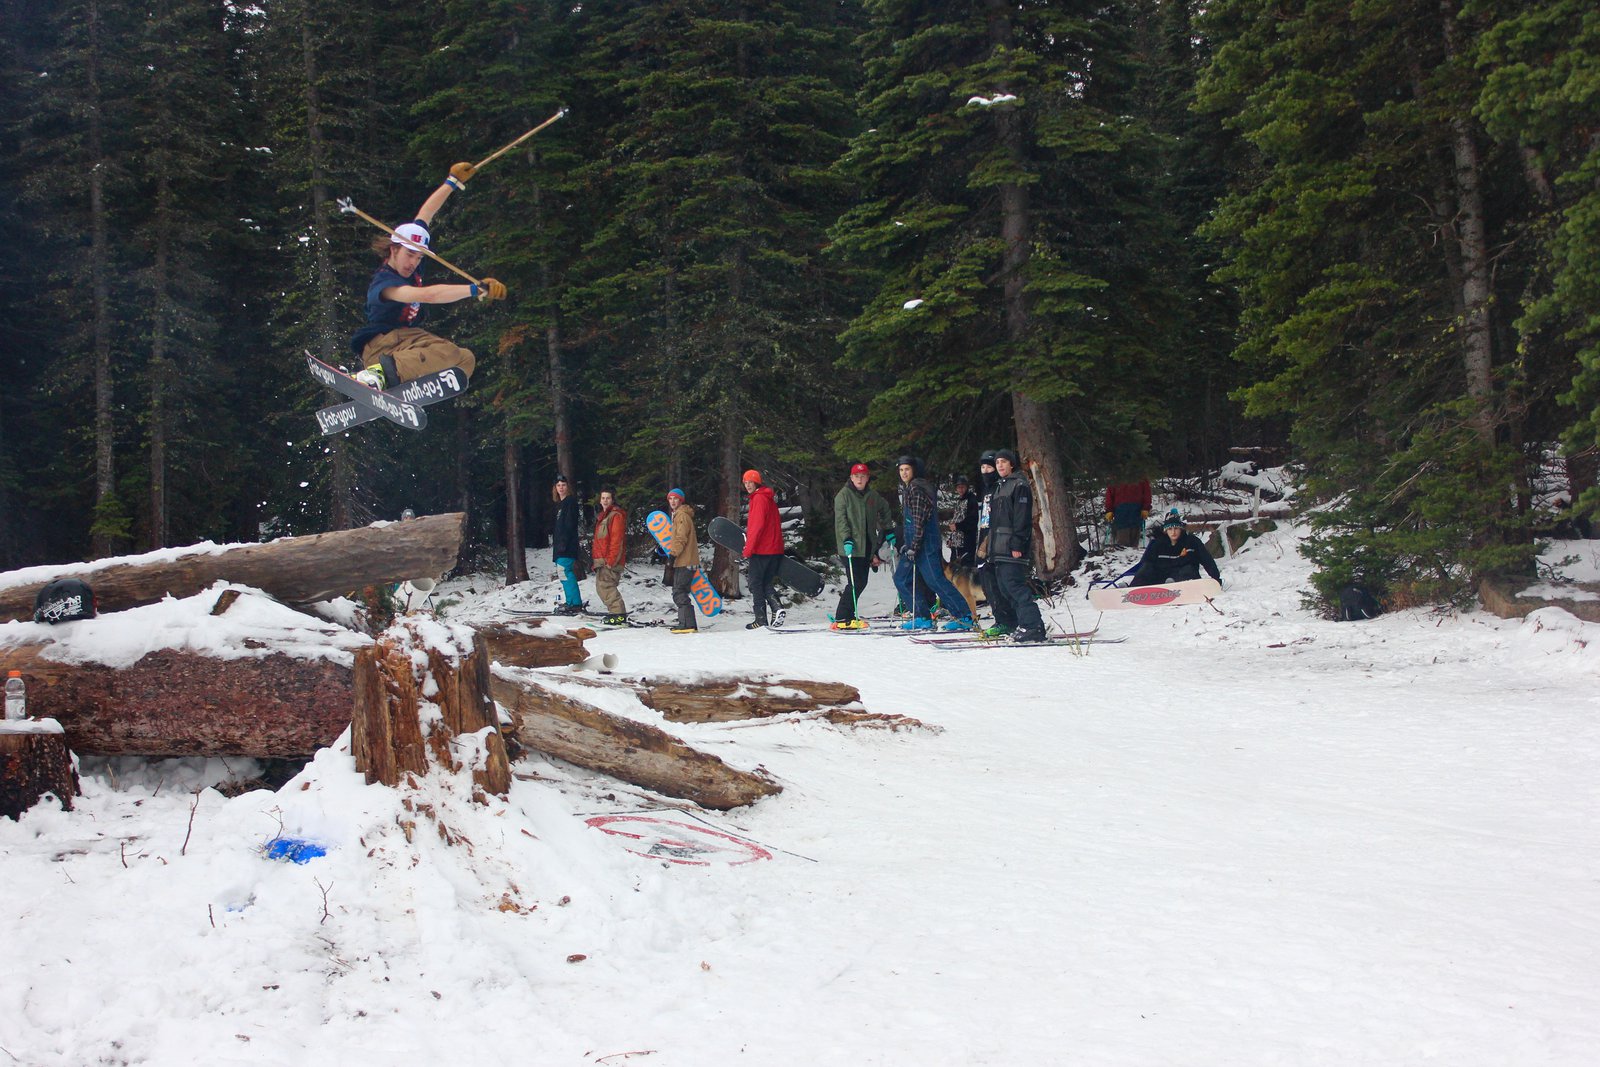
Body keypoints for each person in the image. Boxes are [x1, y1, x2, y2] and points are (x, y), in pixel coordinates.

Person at [347, 162, 506, 389]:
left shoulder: (412, 261)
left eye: (419, 257)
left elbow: (426, 213)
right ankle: (377, 374)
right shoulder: (385, 283)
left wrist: (451, 182)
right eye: (410, 255)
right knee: (448, 352)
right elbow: (428, 295)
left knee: (464, 359)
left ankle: (409, 386)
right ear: (394, 249)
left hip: (408, 342)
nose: (414, 263)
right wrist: (474, 289)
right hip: (384, 345)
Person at [892, 455, 975, 632]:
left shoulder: (917, 488)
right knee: (902, 578)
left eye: (907, 469)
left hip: (924, 544)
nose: (904, 473)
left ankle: (964, 616)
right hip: (914, 543)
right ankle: (922, 616)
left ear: (914, 470)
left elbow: (918, 520)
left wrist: (913, 545)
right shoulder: (910, 488)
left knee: (935, 580)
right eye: (901, 470)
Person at [988, 449, 1048, 643]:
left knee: (1015, 586)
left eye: (1004, 462)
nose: (1000, 466)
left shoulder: (1019, 485)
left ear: (1011, 464)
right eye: (997, 463)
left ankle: (1033, 626)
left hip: (1012, 547)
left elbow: (1021, 518)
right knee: (1005, 588)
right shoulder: (999, 487)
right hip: (999, 548)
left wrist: (1017, 543)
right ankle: (1021, 624)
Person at [832, 462, 894, 630]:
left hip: (866, 546)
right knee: (855, 582)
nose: (860, 479)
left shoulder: (872, 496)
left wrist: (887, 528)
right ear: (851, 478)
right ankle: (842, 617)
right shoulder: (843, 496)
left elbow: (885, 508)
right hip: (850, 546)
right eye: (856, 476)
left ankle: (849, 615)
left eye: (863, 476)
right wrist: (846, 539)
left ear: (867, 478)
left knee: (861, 582)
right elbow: (841, 520)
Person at [741, 470, 786, 629]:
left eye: (750, 482)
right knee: (765, 582)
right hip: (774, 549)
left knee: (755, 583)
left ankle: (760, 619)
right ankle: (777, 607)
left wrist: (748, 549)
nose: (747, 485)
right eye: (745, 483)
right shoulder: (768, 498)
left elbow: (756, 526)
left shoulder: (759, 499)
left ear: (757, 483)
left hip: (762, 549)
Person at [973, 450, 1011, 638]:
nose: (986, 471)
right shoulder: (986, 489)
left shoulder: (1001, 487)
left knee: (997, 583)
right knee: (987, 582)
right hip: (984, 538)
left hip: (996, 541)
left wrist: (988, 542)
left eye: (989, 467)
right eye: (983, 467)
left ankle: (1006, 620)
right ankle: (1002, 618)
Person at [1131, 508, 1222, 587]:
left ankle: (1174, 585)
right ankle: (1130, 589)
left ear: (1181, 529)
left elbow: (1207, 560)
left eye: (1176, 529)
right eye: (1170, 529)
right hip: (1161, 580)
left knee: (1188, 569)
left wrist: (1216, 578)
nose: (1173, 532)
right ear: (1165, 531)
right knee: (1147, 567)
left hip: (1185, 579)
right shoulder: (1157, 544)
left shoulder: (1192, 542)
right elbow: (1146, 563)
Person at [666, 488, 701, 633]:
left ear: (681, 500)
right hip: (687, 560)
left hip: (684, 561)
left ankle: (687, 624)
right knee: (681, 591)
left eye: (676, 499)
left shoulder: (681, 516)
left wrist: (672, 555)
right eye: (670, 499)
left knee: (679, 591)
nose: (673, 501)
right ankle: (686, 622)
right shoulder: (680, 515)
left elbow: (681, 538)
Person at [591, 488, 627, 625]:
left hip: (610, 560)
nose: (605, 501)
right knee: (602, 587)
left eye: (608, 498)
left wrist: (611, 560)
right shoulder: (604, 516)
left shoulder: (615, 516)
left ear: (612, 500)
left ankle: (618, 614)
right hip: (602, 560)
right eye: (603, 498)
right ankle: (616, 612)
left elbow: (617, 540)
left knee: (606, 586)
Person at [548, 476, 584, 614]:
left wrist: (563, 543)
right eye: (558, 485)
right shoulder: (560, 504)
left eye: (563, 485)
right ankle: (572, 601)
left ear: (567, 487)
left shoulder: (570, 502)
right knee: (564, 573)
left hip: (567, 546)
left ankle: (574, 603)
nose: (561, 487)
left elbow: (569, 526)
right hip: (560, 546)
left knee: (564, 572)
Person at [1104, 478, 1153, 548]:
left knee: (1134, 542)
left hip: (1136, 510)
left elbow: (1146, 492)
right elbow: (1110, 493)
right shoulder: (1115, 474)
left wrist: (1146, 508)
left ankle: (1132, 555)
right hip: (1121, 512)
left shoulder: (1140, 474)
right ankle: (1122, 556)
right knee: (1122, 542)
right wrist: (1109, 510)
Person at [947, 475, 980, 565]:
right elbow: (956, 519)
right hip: (956, 542)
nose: (960, 490)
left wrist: (957, 526)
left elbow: (972, 521)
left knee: (965, 569)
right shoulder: (959, 501)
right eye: (958, 487)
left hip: (967, 542)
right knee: (953, 568)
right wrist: (951, 538)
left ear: (967, 487)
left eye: (962, 487)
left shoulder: (971, 500)